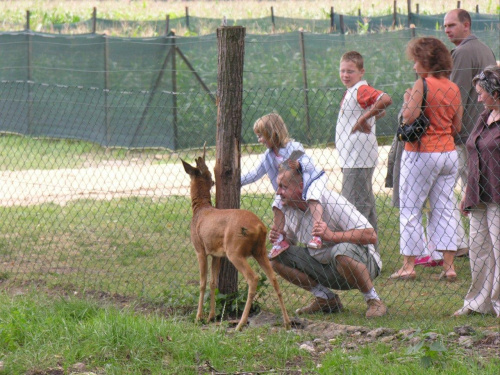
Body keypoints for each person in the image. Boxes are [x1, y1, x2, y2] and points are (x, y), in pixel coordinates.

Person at [269, 162, 387, 318]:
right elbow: (291, 247)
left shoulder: (330, 200)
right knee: (276, 258)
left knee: (340, 251)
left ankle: (374, 300)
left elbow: (370, 235)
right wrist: (281, 239)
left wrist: (331, 236)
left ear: (301, 187)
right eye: (278, 186)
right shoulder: (288, 208)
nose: (278, 192)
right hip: (323, 266)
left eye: (283, 187)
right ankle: (326, 299)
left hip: (362, 263)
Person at [390, 36, 463, 281]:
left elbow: (409, 118)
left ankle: (409, 266)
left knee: (411, 208)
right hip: (448, 154)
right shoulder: (453, 87)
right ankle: (449, 267)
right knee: (443, 209)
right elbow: (457, 125)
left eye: (416, 61)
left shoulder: (423, 83)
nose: (413, 66)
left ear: (426, 61)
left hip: (421, 153)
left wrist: (409, 98)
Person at [444, 9, 496, 257]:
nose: (447, 30)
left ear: (467, 25)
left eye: (452, 25)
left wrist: (450, 129)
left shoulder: (462, 52)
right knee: (481, 190)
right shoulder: (486, 49)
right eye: (445, 26)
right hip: (487, 132)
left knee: (451, 190)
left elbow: (455, 96)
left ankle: (459, 243)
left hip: (466, 134)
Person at [241, 113, 327, 258]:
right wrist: (237, 181)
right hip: (288, 188)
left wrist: (299, 164)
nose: (259, 140)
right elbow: (256, 173)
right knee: (276, 205)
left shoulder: (294, 147)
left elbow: (309, 164)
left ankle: (317, 234)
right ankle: (280, 239)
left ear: (272, 133)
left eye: (261, 135)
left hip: (309, 181)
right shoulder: (268, 156)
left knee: (313, 197)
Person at [454, 65, 500, 317]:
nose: (479, 97)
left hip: (498, 195)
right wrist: (466, 193)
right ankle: (478, 303)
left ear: (497, 91)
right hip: (479, 194)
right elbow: (474, 153)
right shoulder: (485, 117)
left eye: (482, 92)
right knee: (479, 248)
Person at [336, 51, 393, 235]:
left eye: (350, 71)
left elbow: (385, 99)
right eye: (342, 70)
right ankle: (370, 250)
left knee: (354, 207)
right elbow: (378, 107)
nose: (345, 75)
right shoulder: (353, 91)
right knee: (364, 205)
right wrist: (373, 113)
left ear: (361, 72)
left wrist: (364, 118)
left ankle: (359, 250)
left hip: (357, 158)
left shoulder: (361, 89)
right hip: (352, 157)